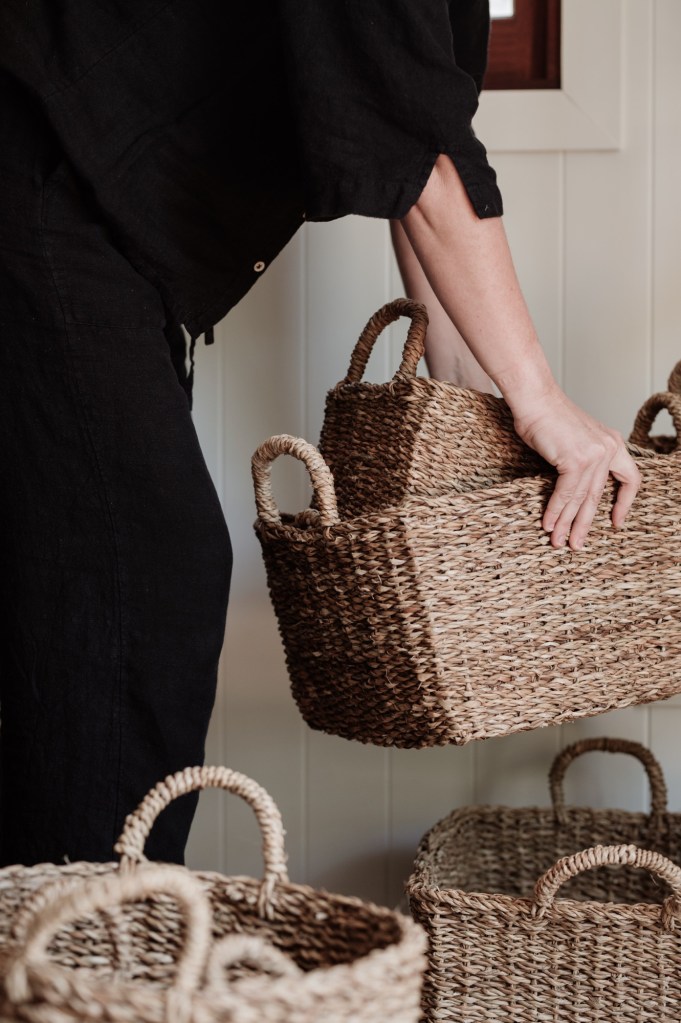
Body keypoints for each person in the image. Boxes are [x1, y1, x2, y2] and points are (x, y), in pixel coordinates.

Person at [0, 0, 640, 867]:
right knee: (139, 582)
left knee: (88, 591)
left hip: (90, 219)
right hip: (42, 179)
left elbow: (410, 155)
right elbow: (422, 170)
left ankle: (82, 935)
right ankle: (85, 959)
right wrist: (539, 400)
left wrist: (477, 412)